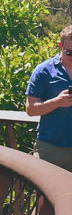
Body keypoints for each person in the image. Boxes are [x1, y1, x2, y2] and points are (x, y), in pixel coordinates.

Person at [25, 24, 72, 171]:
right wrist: (57, 102)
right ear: (60, 45)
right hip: (50, 148)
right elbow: (30, 109)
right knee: (44, 194)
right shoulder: (44, 71)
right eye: (69, 52)